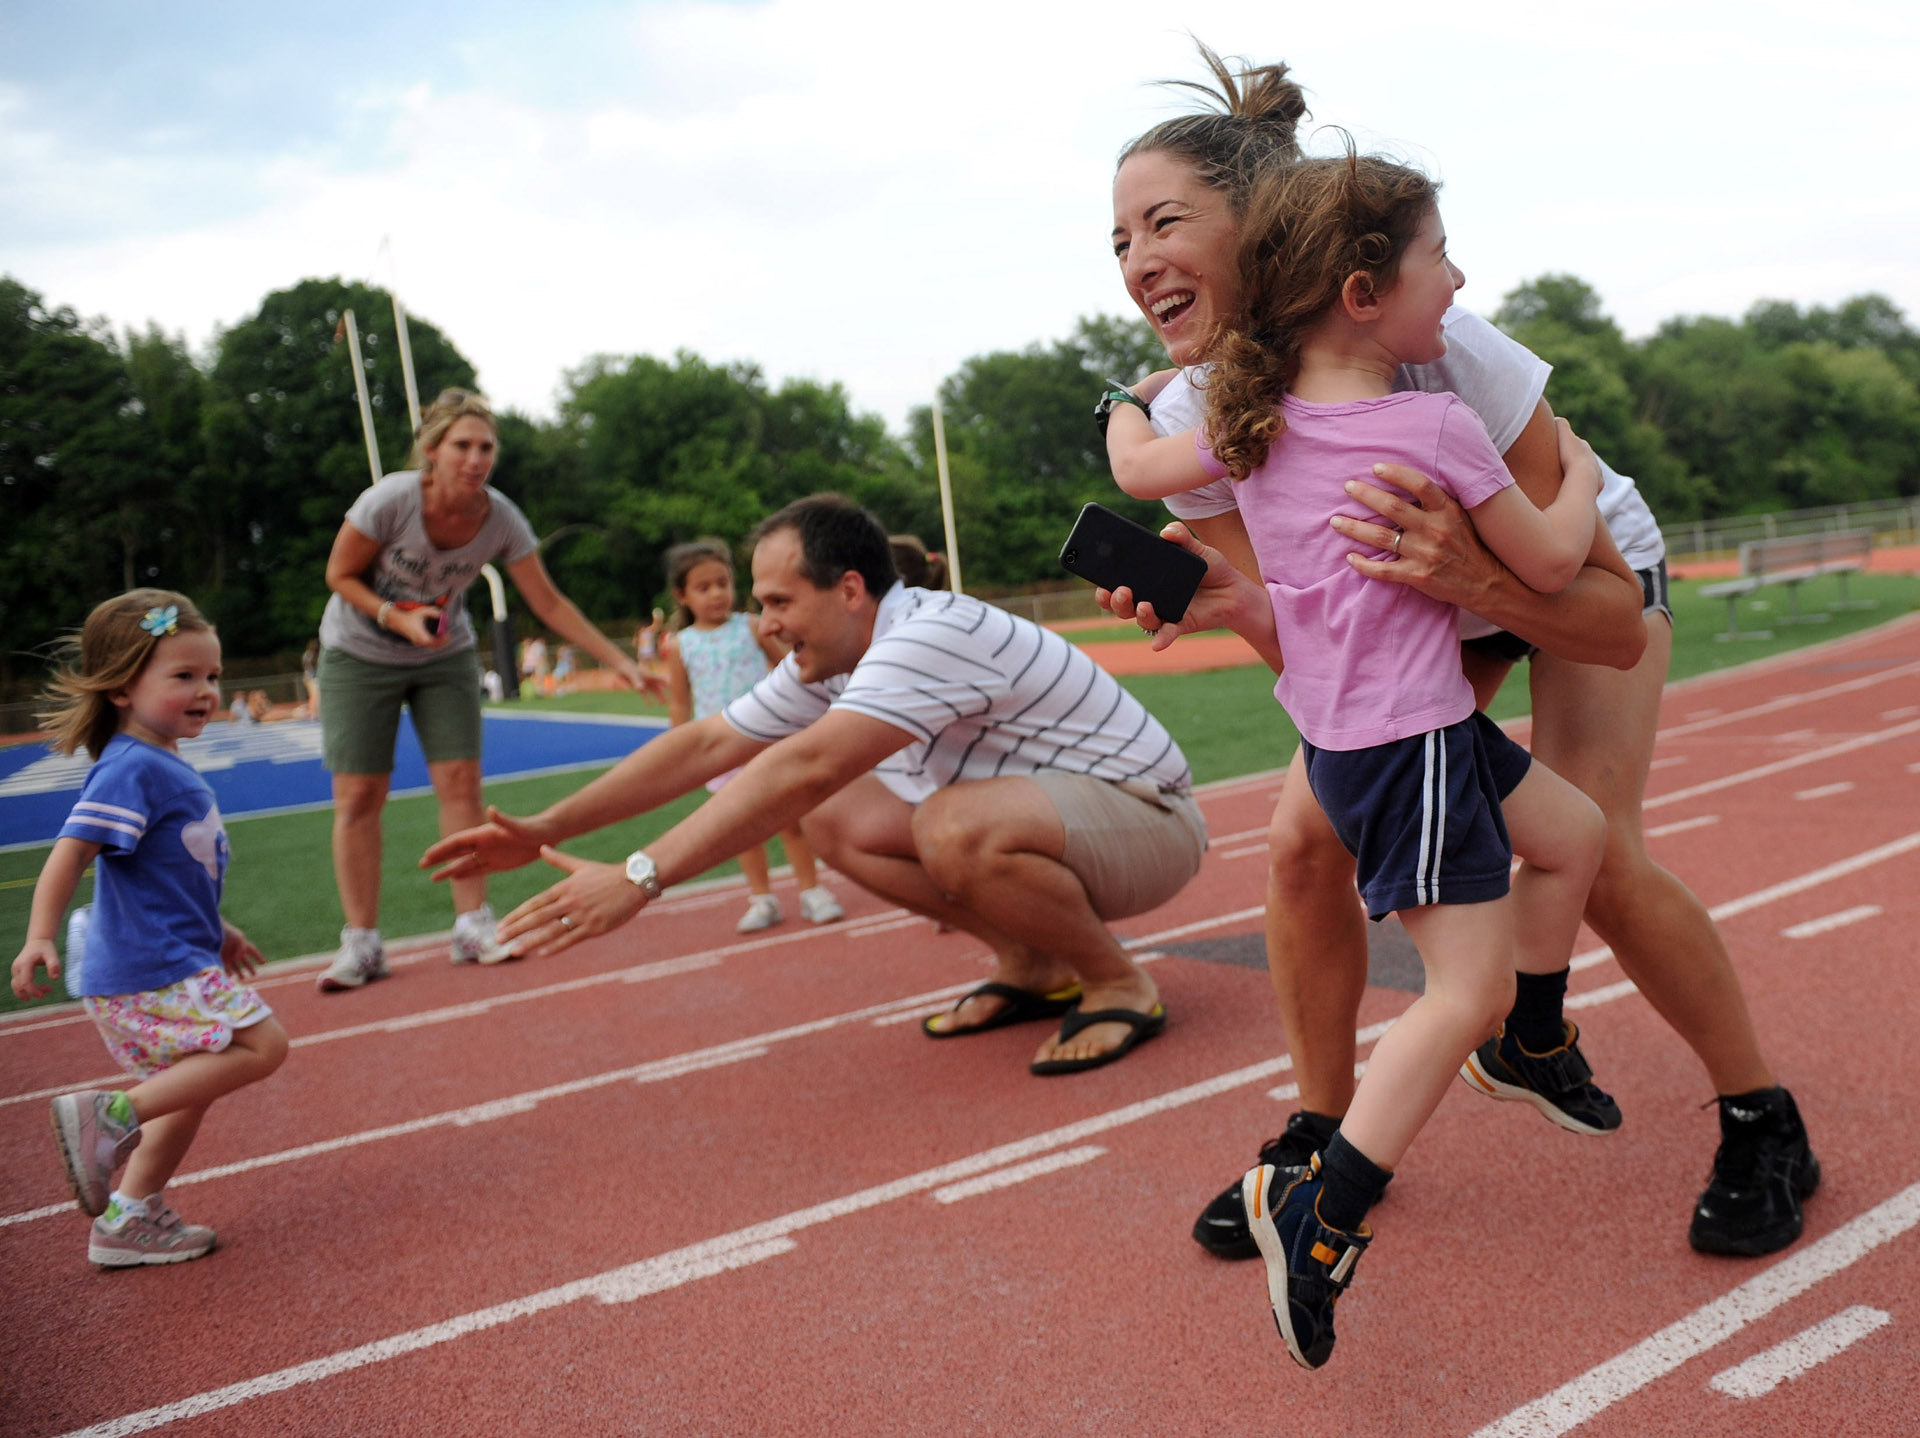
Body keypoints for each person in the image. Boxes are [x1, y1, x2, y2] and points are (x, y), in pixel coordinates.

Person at [1103, 45, 1816, 1264]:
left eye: (1163, 224)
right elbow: (1316, 652)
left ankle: (1761, 1115)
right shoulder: (1195, 418)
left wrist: (1474, 577)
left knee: (1596, 847)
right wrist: (1230, 598)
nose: (1136, 263)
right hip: (1433, 608)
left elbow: (1601, 614)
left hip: (1565, 571)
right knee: (1296, 839)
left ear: (1270, 225)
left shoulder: (1446, 356)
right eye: (1117, 242)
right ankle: (1323, 1138)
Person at [1106, 150, 1610, 1368]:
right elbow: (1545, 565)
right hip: (1413, 743)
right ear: (1363, 290)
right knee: (1458, 990)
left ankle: (1533, 1042)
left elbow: (1133, 469)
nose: (1460, 279)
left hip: (1348, 746)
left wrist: (1121, 401)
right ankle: (1322, 1209)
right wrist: (1584, 475)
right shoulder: (1432, 421)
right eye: (1441, 256)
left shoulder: (1245, 425)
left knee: (1575, 836)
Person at [422, 493, 1208, 1073]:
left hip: (1150, 823)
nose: (763, 623)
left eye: (777, 602)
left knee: (948, 825)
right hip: (1062, 820)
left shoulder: (927, 634)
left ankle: (1118, 982)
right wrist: (547, 828)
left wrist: (639, 876)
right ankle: (1033, 963)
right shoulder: (835, 656)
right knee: (838, 820)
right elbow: (706, 744)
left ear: (852, 590)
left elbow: (802, 766)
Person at [314, 387, 653, 992]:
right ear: (433, 451)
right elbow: (338, 574)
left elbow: (547, 601)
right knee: (360, 794)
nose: (475, 459)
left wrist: (619, 661)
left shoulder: (500, 517)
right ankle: (361, 942)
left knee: (462, 783)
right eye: (462, 446)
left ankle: (473, 925)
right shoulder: (390, 500)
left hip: (444, 654)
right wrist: (396, 617)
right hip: (359, 652)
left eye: (486, 448)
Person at [10, 589, 289, 1266]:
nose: (206, 691)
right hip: (152, 965)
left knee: (194, 1087)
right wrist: (39, 935)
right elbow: (71, 852)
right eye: (184, 676)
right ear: (122, 689)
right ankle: (109, 1117)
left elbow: (169, 873)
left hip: (167, 955)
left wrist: (217, 928)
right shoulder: (131, 767)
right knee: (263, 1046)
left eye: (213, 677)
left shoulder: (159, 762)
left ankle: (127, 1218)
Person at [660, 537, 845, 933]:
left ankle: (812, 890)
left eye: (722, 583)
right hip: (721, 752)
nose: (716, 594)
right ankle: (762, 899)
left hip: (768, 739)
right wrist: (683, 752)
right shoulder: (680, 645)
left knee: (790, 819)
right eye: (704, 587)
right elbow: (680, 702)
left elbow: (789, 667)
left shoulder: (750, 626)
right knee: (741, 828)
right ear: (682, 595)